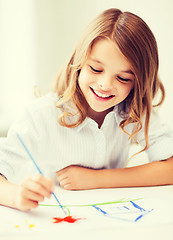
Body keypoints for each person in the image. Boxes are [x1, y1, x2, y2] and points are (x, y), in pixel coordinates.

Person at [0, 8, 173, 212]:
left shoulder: (134, 112)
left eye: (123, 78)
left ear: (138, 83)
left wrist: (96, 179)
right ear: (79, 63)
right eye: (96, 69)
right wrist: (16, 196)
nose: (105, 84)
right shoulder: (41, 114)